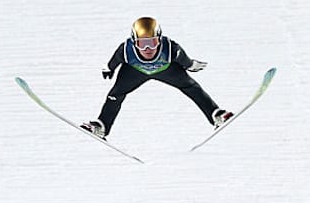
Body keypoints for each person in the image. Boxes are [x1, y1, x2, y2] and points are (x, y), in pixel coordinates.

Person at [81, 17, 233, 138]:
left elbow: (183, 59)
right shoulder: (126, 50)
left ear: (159, 39)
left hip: (167, 69)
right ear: (134, 42)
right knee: (115, 94)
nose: (148, 49)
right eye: (142, 44)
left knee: (191, 87)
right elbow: (116, 59)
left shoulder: (171, 48)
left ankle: (216, 114)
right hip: (135, 71)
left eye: (152, 43)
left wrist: (190, 65)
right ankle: (102, 126)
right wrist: (109, 68)